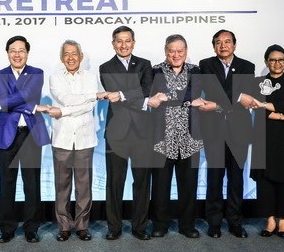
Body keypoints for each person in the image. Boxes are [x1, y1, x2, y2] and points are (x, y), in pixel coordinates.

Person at [0, 35, 50, 243]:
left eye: (21, 50)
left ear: (27, 53)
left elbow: (25, 96)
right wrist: (29, 106)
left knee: (32, 184)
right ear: (7, 53)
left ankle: (32, 228)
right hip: (7, 135)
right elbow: (17, 101)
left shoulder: (37, 73)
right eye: (13, 50)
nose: (17, 54)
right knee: (6, 183)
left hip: (30, 134)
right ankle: (7, 229)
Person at [198, 29, 256, 238]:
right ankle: (213, 223)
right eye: (218, 42)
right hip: (213, 130)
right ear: (214, 46)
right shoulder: (206, 64)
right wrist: (237, 96)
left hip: (238, 131)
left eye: (227, 41)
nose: (223, 45)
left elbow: (234, 95)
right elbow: (213, 91)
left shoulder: (247, 66)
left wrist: (221, 103)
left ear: (235, 45)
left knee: (236, 178)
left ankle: (235, 222)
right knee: (214, 177)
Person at [47, 40, 106, 242]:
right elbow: (65, 98)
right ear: (61, 57)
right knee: (62, 186)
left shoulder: (90, 77)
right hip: (62, 138)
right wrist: (89, 97)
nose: (71, 58)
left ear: (81, 56)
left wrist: (64, 110)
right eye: (66, 54)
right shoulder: (55, 77)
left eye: (74, 54)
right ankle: (64, 226)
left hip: (84, 138)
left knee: (84, 186)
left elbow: (89, 106)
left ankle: (82, 226)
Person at [99, 26, 153, 241]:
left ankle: (140, 227)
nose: (123, 45)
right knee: (115, 182)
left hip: (142, 133)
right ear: (113, 43)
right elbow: (135, 93)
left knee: (142, 182)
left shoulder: (145, 64)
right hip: (116, 132)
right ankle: (114, 227)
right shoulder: (105, 67)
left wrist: (122, 94)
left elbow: (147, 89)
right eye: (119, 41)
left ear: (133, 42)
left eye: (127, 41)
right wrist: (135, 95)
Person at [148, 34, 205, 239]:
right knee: (160, 185)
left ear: (186, 52)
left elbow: (193, 92)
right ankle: (160, 224)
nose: (176, 54)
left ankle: (187, 225)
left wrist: (170, 97)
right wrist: (187, 100)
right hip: (162, 136)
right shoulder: (154, 70)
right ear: (166, 51)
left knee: (188, 185)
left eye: (180, 51)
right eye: (172, 50)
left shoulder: (195, 70)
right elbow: (158, 94)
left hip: (189, 136)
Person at [250, 44, 284, 238]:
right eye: (272, 60)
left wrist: (267, 106)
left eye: (281, 60)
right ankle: (270, 220)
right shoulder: (258, 82)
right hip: (263, 135)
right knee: (264, 179)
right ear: (266, 62)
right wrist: (281, 115)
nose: (277, 63)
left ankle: (283, 221)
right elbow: (256, 107)